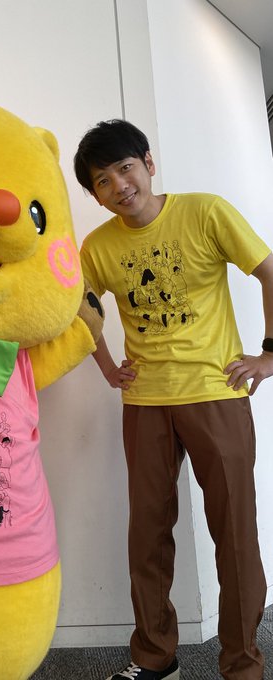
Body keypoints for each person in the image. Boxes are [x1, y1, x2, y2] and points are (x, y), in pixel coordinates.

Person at [74, 119, 273, 680]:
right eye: (102, 181)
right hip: (145, 403)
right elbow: (80, 310)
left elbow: (269, 272)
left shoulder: (205, 212)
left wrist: (269, 354)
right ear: (95, 194)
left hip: (215, 392)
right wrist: (107, 366)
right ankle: (155, 658)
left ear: (148, 163)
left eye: (125, 169)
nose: (119, 186)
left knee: (234, 533)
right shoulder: (98, 247)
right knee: (147, 534)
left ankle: (242, 665)